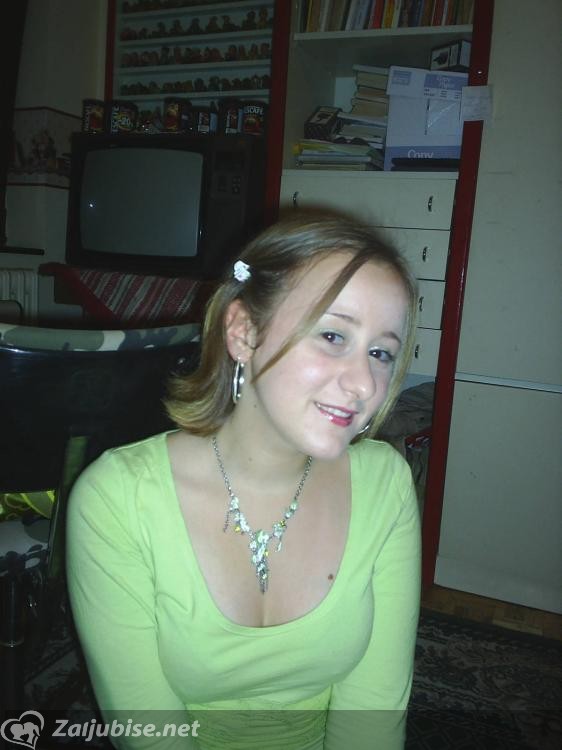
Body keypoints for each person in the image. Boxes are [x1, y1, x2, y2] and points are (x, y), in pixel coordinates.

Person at [66, 210, 422, 750]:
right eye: (332, 335)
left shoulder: (384, 484)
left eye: (380, 353)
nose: (363, 384)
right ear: (243, 332)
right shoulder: (118, 498)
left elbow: (372, 717)